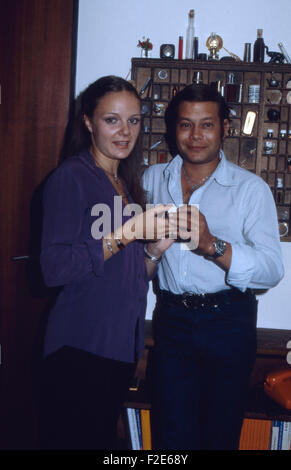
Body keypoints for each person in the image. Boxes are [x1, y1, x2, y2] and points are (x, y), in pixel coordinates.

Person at [142, 83, 284, 450]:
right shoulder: (150, 180)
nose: (195, 135)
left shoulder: (251, 189)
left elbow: (271, 270)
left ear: (225, 127)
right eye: (186, 124)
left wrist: (212, 245)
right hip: (171, 320)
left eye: (207, 124)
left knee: (219, 436)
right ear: (174, 129)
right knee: (170, 437)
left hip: (229, 322)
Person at [36, 75, 173, 450]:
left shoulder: (125, 183)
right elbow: (54, 268)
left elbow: (129, 279)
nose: (125, 131)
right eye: (112, 120)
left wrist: (154, 251)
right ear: (87, 122)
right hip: (80, 350)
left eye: (133, 120)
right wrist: (129, 232)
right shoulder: (70, 178)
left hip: (118, 349)